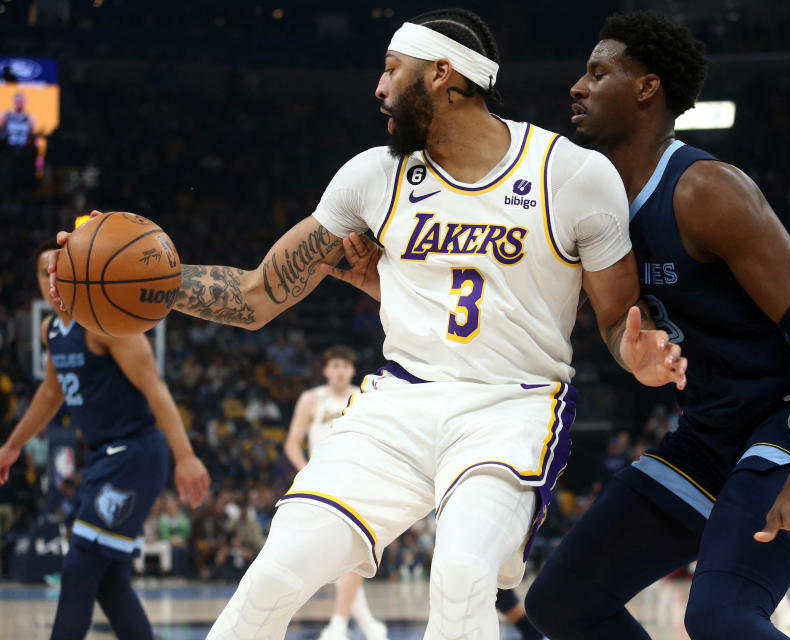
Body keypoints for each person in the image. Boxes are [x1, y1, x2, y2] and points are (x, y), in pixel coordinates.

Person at [49, 8, 686, 640]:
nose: (378, 89)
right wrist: (144, 281)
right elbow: (256, 294)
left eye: (391, 69)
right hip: (398, 403)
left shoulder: (571, 174)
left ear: (442, 74)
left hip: (511, 406)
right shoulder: (372, 177)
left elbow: (615, 321)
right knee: (274, 571)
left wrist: (639, 355)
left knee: (462, 575)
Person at [514, 12, 790, 640]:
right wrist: (631, 350)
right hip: (709, 432)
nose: (577, 86)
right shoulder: (591, 207)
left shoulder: (704, 189)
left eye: (598, 73)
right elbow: (610, 328)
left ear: (647, 88)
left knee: (721, 615)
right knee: (560, 602)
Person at [0, 239, 210, 640]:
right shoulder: (52, 330)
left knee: (80, 565)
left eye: (60, 271)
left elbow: (156, 388)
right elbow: (50, 393)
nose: (53, 281)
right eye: (46, 274)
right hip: (104, 457)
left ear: (80, 272)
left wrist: (186, 456)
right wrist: (12, 446)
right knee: (110, 580)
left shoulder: (109, 322)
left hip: (134, 452)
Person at [284, 345, 388, 640]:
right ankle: (367, 625)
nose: (340, 370)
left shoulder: (366, 395)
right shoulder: (311, 398)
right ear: (326, 370)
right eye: (335, 365)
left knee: (353, 551)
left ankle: (340, 624)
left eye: (345, 365)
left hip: (357, 479)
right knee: (333, 557)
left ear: (352, 370)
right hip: (320, 481)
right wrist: (305, 469)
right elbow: (292, 442)